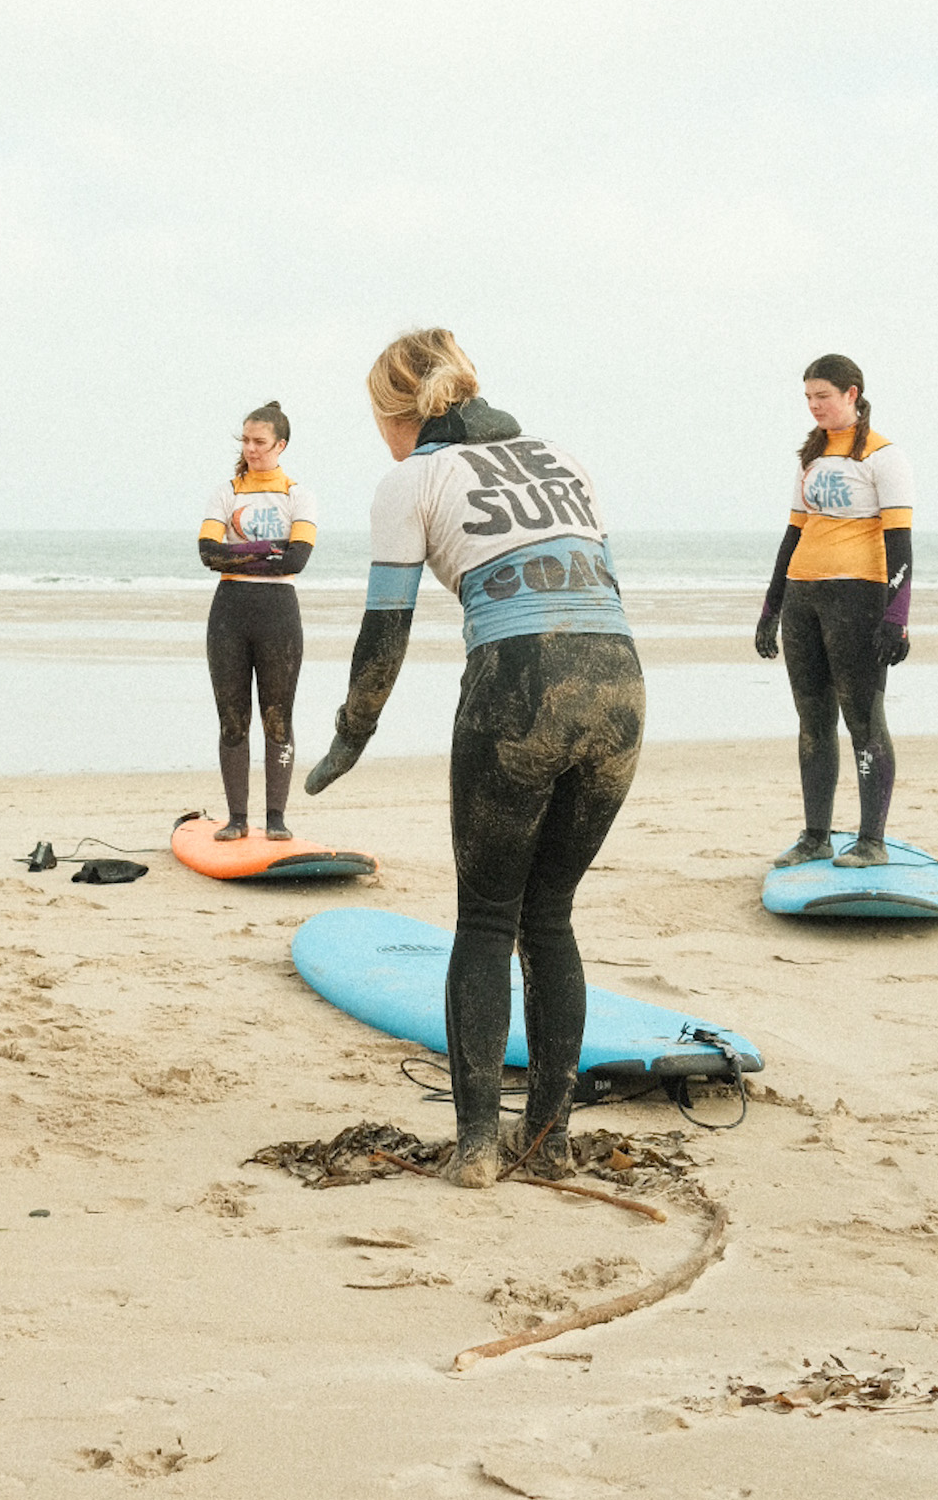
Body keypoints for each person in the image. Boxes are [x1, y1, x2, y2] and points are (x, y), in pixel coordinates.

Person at [304, 329, 643, 1187]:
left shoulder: (411, 480)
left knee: (488, 921)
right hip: (620, 686)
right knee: (551, 917)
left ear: (397, 412)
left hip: (517, 690)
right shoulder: (563, 458)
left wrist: (352, 733)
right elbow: (597, 582)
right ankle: (551, 1142)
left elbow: (385, 631)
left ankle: (479, 1149)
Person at [756, 355, 913, 870]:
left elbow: (900, 545)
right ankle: (815, 837)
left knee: (863, 721)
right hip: (803, 598)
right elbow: (793, 534)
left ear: (851, 394)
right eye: (807, 397)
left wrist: (896, 618)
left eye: (822, 396)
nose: (813, 405)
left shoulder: (883, 456)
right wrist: (771, 608)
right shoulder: (813, 456)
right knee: (813, 721)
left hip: (857, 600)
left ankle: (872, 841)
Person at [197, 401, 318, 841]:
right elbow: (208, 554)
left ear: (280, 445)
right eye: (245, 440)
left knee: (277, 719)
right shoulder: (225, 493)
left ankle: (276, 819)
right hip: (229, 614)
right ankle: (237, 819)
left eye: (259, 442)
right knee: (232, 721)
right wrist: (268, 550)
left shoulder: (298, 496)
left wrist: (238, 553)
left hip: (278, 616)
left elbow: (297, 560)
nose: (250, 448)